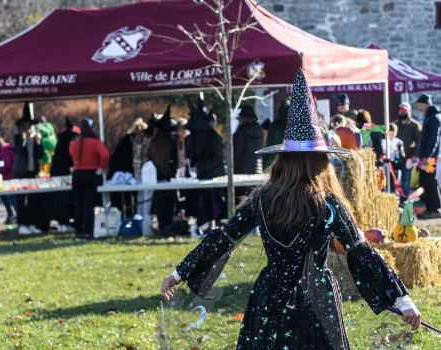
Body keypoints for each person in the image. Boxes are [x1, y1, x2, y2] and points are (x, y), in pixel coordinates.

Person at [160, 69, 421, 349]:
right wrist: (402, 300)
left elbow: (224, 237)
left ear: (283, 158)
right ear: (321, 161)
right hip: (317, 299)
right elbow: (359, 251)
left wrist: (178, 274)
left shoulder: (261, 199)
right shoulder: (328, 203)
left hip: (270, 295)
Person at [185, 97, 225, 232]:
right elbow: (196, 154)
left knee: (219, 200)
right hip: (202, 175)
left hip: (216, 175)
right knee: (205, 200)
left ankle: (222, 224)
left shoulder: (215, 138)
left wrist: (201, 166)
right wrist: (192, 162)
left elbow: (218, 158)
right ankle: (209, 225)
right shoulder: (196, 138)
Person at [69, 118, 109, 240]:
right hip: (91, 175)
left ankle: (78, 232)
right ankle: (87, 232)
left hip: (77, 175)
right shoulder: (96, 142)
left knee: (79, 205)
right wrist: (100, 168)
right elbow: (105, 155)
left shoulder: (74, 143)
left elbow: (71, 154)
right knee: (88, 206)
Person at [13, 102, 44, 235]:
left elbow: (40, 155)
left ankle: (32, 223)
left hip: (32, 171)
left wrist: (38, 143)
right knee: (21, 199)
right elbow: (18, 152)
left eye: (30, 125)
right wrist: (23, 138)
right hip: (21, 171)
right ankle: (22, 224)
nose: (28, 127)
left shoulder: (36, 136)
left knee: (33, 199)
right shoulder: (18, 137)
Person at [148, 105, 178, 233]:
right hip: (168, 175)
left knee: (160, 202)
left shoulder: (153, 142)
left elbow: (149, 158)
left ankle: (162, 225)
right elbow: (175, 162)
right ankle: (168, 225)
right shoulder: (171, 142)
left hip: (156, 176)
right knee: (169, 201)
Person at [50, 117, 79, 233]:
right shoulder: (70, 144)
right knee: (66, 199)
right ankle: (64, 223)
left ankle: (62, 223)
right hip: (65, 174)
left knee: (59, 199)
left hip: (56, 174)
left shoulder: (59, 143)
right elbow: (70, 161)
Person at [416, 93, 441, 219]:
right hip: (425, 157)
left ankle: (435, 209)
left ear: (426, 104)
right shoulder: (429, 117)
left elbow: (434, 139)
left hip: (429, 157)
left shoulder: (434, 118)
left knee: (430, 182)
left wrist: (427, 156)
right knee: (424, 180)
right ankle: (429, 207)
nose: (419, 108)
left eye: (420, 105)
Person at [233, 105, 263, 203]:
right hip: (257, 172)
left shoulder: (240, 132)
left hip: (241, 174)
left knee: (241, 203)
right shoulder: (260, 131)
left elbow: (235, 154)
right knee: (253, 202)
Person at [393, 102, 421, 198]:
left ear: (410, 111)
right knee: (395, 179)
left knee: (406, 179)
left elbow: (419, 142)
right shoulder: (395, 125)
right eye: (400, 110)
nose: (402, 112)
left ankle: (404, 199)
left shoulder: (415, 125)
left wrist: (415, 155)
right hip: (396, 158)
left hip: (408, 157)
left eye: (404, 110)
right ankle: (395, 198)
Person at [0, 136, 17, 224]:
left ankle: (14, 215)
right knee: (9, 197)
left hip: (8, 178)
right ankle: (12, 214)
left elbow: (6, 165)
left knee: (11, 198)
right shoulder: (8, 148)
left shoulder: (4, 151)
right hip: (10, 177)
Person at [263, 97, 290, 169]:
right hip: (288, 164)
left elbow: (265, 144)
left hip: (272, 164)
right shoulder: (293, 126)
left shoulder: (273, 125)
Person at [381, 124, 405, 193]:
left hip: (394, 166)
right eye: (390, 132)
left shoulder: (399, 142)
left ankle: (395, 195)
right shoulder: (383, 141)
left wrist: (400, 148)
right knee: (385, 182)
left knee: (395, 183)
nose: (392, 134)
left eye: (394, 132)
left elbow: (402, 155)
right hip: (385, 166)